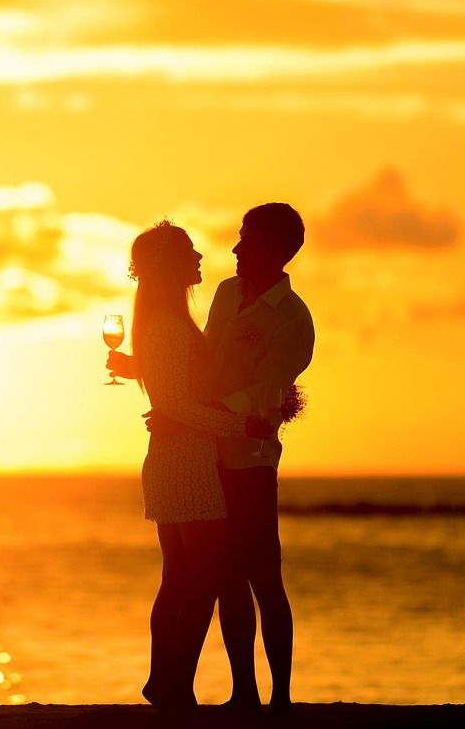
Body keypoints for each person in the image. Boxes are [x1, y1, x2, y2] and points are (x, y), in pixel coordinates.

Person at [111, 203, 314, 716]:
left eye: (248, 240)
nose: (234, 248)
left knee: (259, 576)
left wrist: (187, 411)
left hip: (244, 459)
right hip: (199, 456)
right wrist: (169, 397)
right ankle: (227, 691)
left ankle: (276, 698)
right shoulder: (222, 295)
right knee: (213, 578)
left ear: (277, 249)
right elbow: (187, 376)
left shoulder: (292, 318)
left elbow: (265, 390)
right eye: (239, 236)